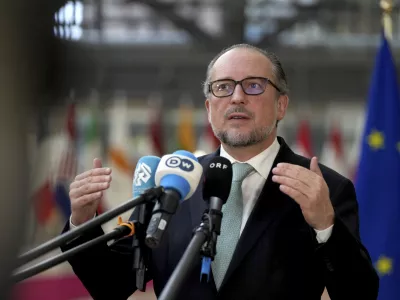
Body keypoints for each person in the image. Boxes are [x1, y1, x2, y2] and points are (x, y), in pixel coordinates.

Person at [62, 44, 379, 300]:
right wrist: (82, 221)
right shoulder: (173, 182)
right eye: (223, 87)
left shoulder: (324, 187)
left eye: (253, 86)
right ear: (209, 107)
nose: (237, 97)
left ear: (282, 105)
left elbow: (359, 294)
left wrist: (325, 225)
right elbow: (111, 285)